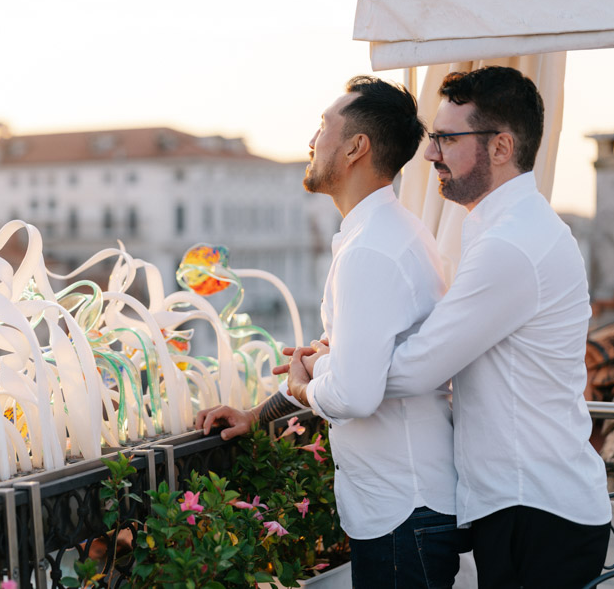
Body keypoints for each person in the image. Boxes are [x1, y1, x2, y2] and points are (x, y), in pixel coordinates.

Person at [285, 66, 612, 588]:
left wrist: (327, 369)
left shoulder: (512, 244)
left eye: (446, 139)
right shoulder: (506, 230)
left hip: (536, 506)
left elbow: (416, 368)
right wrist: (345, 363)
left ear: (501, 146)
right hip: (529, 502)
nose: (430, 152)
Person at [196, 76, 468, 588]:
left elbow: (353, 392)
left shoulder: (371, 250)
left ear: (355, 148)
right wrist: (258, 414)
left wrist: (304, 383)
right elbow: (344, 368)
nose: (312, 140)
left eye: (324, 127)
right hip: (408, 507)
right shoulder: (392, 233)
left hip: (401, 512)